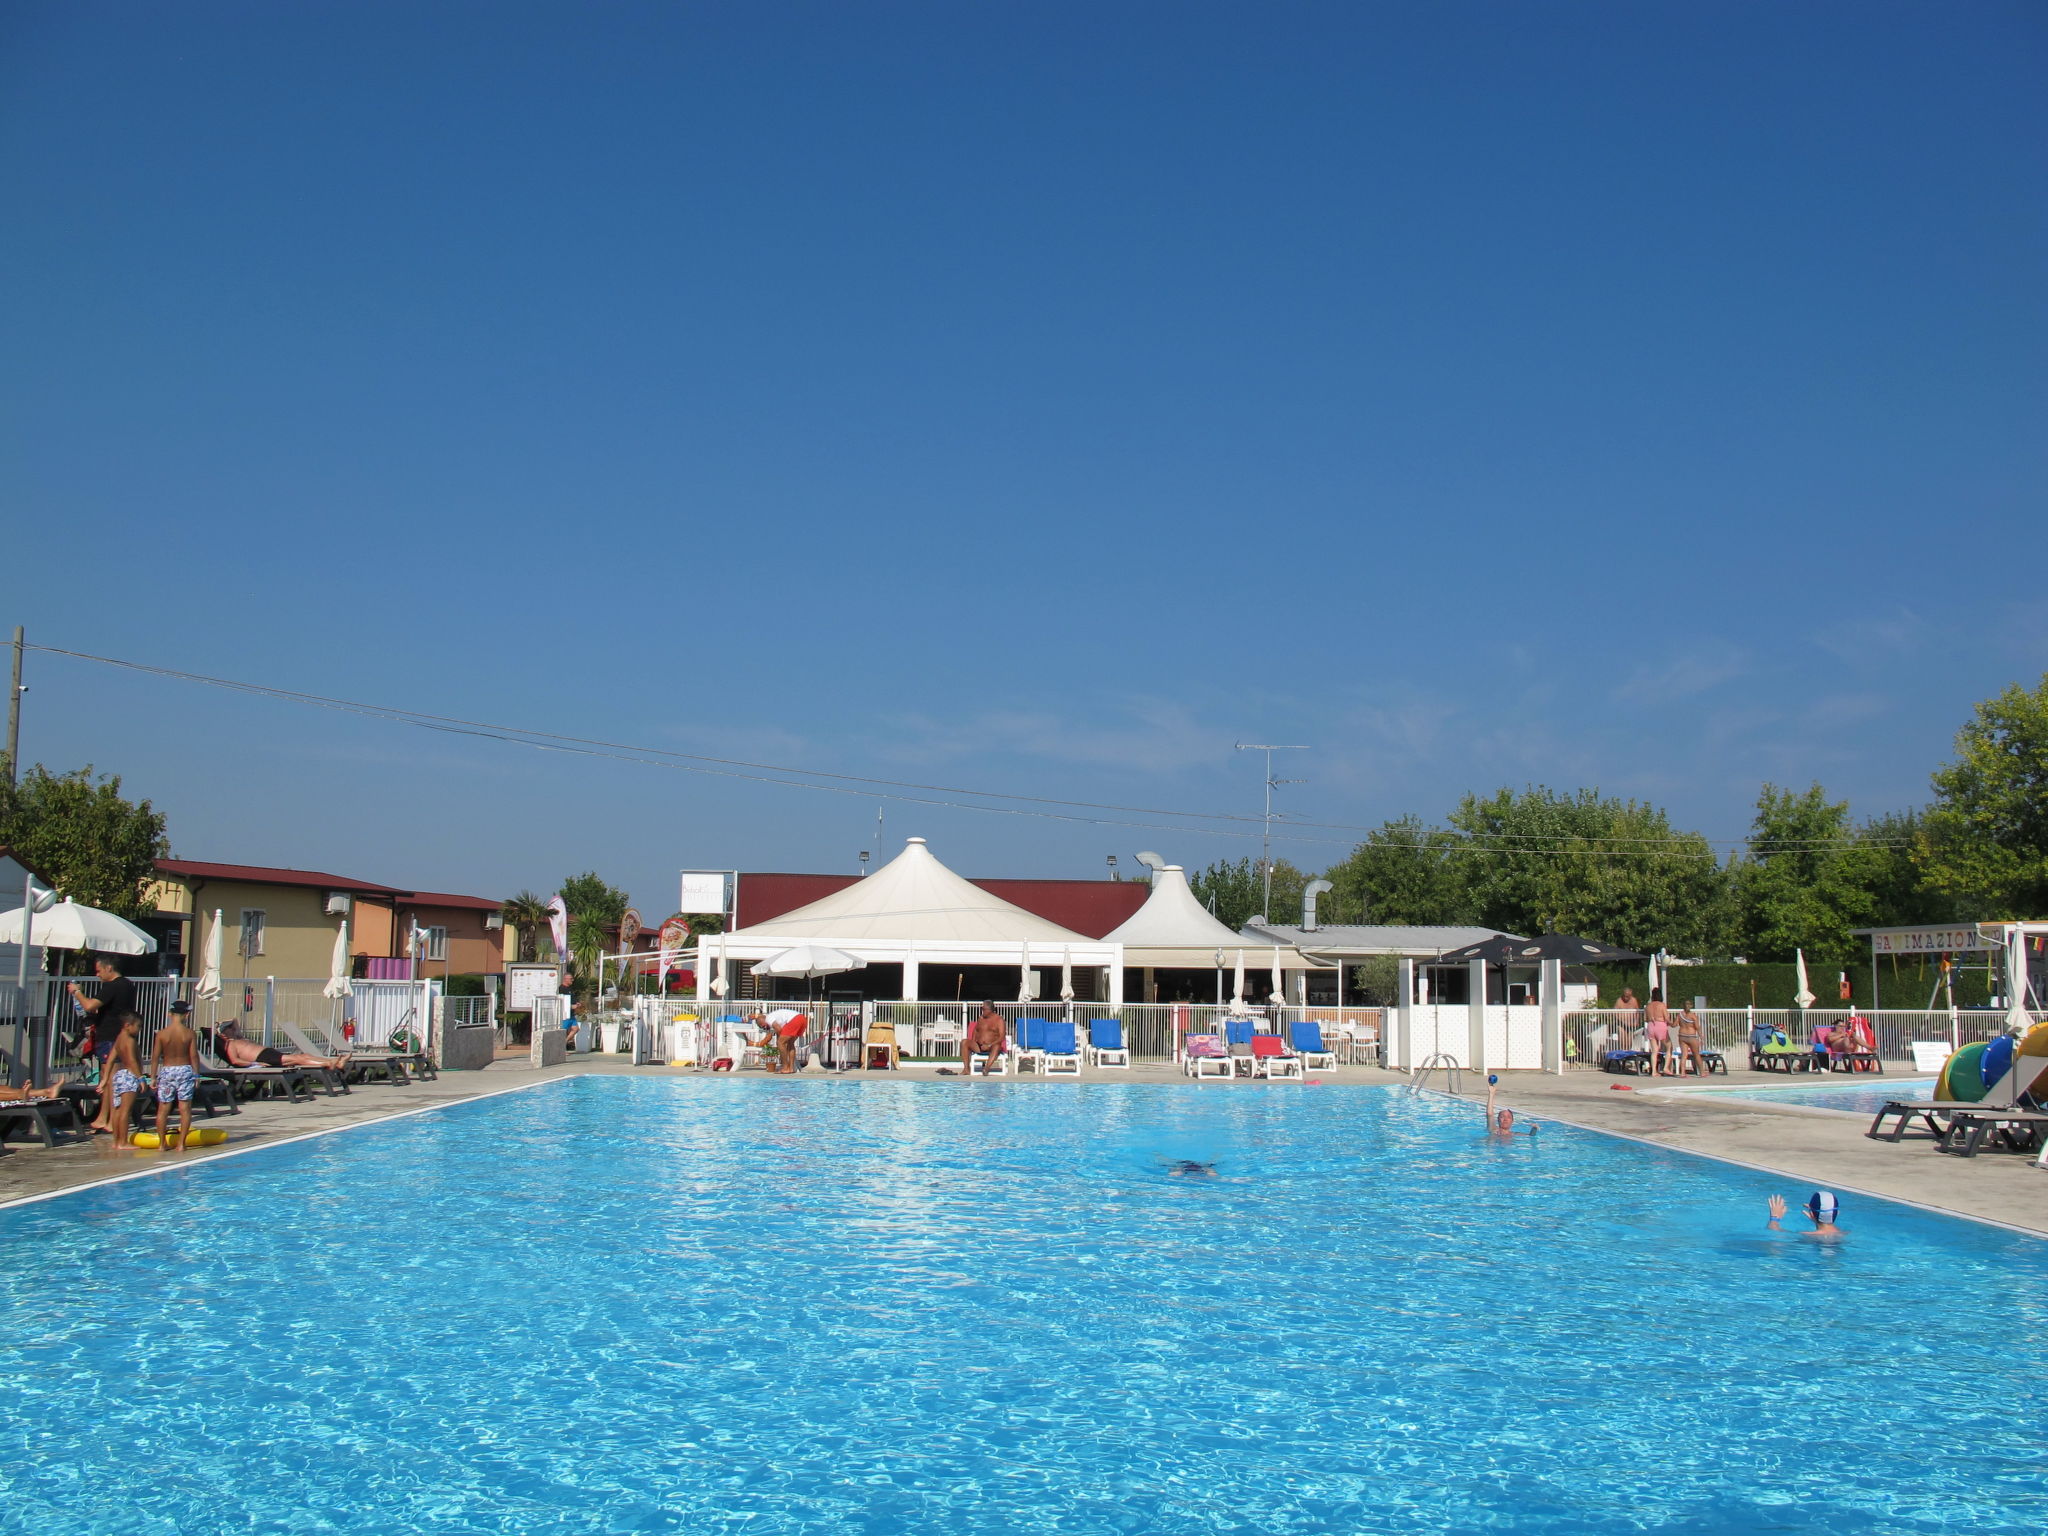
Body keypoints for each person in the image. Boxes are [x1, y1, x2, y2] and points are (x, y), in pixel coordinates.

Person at [71, 957, 136, 1130]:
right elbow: (113, 1008)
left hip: (110, 1037)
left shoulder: (113, 986)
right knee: (107, 1079)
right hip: (119, 1035)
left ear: (109, 968)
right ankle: (104, 1118)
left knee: (111, 1079)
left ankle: (112, 1120)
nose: (97, 974)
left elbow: (89, 1006)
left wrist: (77, 992)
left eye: (99, 970)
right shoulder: (128, 985)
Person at [151, 1000, 201, 1151]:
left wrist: (153, 1076)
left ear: (169, 1014)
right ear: (187, 1014)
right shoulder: (189, 1033)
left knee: (163, 1108)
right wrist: (197, 1075)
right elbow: (193, 1056)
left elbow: (155, 1057)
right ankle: (181, 1144)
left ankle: (161, 1144)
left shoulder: (162, 1034)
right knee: (184, 1108)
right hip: (185, 1070)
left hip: (167, 1071)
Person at [216, 1021, 348, 1072]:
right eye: (229, 1028)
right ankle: (331, 1063)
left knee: (303, 1057)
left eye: (232, 1027)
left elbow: (236, 1023)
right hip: (263, 1057)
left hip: (267, 1053)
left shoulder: (238, 1038)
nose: (232, 1029)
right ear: (223, 1034)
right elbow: (234, 1061)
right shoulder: (230, 1044)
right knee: (300, 1058)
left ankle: (332, 1062)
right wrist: (255, 1064)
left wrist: (232, 1026)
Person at [102, 1013, 145, 1147]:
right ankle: (123, 1142)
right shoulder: (130, 1041)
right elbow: (132, 1061)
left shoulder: (118, 1039)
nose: (139, 1029)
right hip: (129, 1076)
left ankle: (116, 1141)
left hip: (119, 1076)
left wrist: (104, 1079)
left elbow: (110, 1060)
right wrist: (141, 1078)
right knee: (126, 1111)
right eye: (138, 1026)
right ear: (127, 1025)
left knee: (117, 1110)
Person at [1767, 1191, 1844, 1241]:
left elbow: (1774, 1233)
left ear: (1812, 1214)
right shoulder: (1845, 1234)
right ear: (1837, 1213)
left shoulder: (1807, 1237)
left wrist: (1774, 1219)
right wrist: (1816, 1218)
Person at [962, 1002, 1007, 1077]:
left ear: (990, 1010)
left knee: (997, 1046)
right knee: (964, 1042)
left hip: (992, 1047)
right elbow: (976, 1030)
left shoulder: (999, 1020)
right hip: (979, 1046)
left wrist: (989, 1045)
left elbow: (1002, 1037)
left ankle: (986, 1068)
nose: (982, 1011)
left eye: (983, 1009)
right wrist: (973, 1041)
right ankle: (966, 1069)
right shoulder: (981, 1018)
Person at [1643, 988, 1672, 1076]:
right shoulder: (1662, 1005)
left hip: (1651, 1026)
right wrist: (1672, 1023)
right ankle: (1666, 1068)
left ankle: (1654, 1071)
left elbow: (1645, 1019)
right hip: (1660, 1025)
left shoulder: (1648, 1006)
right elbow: (1666, 1018)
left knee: (1654, 1050)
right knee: (1669, 1047)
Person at [1674, 1003, 1705, 1077]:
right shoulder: (1693, 1016)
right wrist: (1701, 1037)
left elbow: (1674, 1024)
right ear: (1691, 1006)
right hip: (1691, 1036)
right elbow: (1697, 1028)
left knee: (1684, 1055)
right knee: (1697, 1055)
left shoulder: (1679, 1015)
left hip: (1682, 1036)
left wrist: (1668, 1022)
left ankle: (1682, 1073)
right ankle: (1702, 1072)